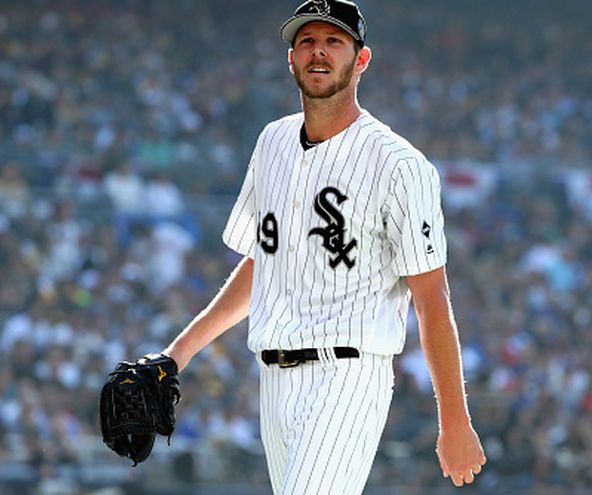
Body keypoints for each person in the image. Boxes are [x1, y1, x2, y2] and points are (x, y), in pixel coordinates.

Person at [156, 0, 486, 492]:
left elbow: (431, 297)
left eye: (334, 41)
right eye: (307, 41)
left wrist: (454, 420)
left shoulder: (399, 164)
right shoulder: (271, 142)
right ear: (291, 59)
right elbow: (263, 264)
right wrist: (176, 354)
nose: (319, 52)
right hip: (273, 379)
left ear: (361, 59)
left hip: (348, 375)